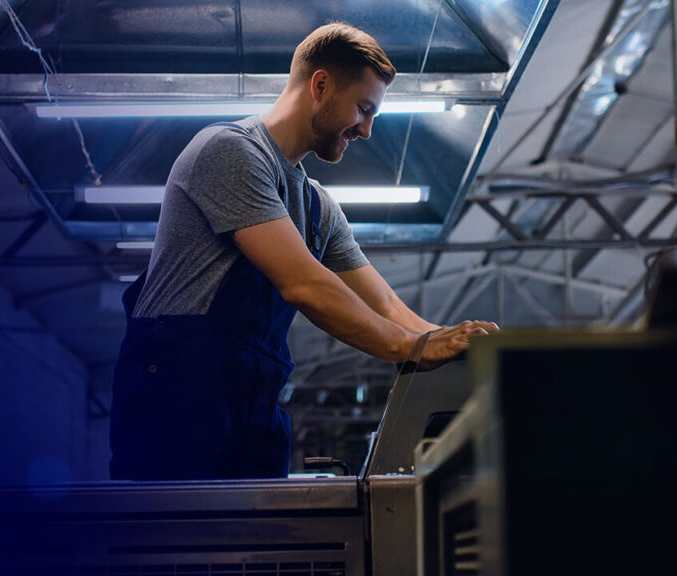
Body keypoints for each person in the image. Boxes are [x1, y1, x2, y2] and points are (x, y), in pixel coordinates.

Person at [110, 23, 497, 480]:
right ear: (320, 85)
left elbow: (387, 305)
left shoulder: (316, 206)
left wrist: (457, 344)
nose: (368, 130)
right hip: (177, 398)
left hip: (251, 401)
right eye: (363, 108)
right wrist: (413, 348)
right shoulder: (230, 152)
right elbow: (304, 286)